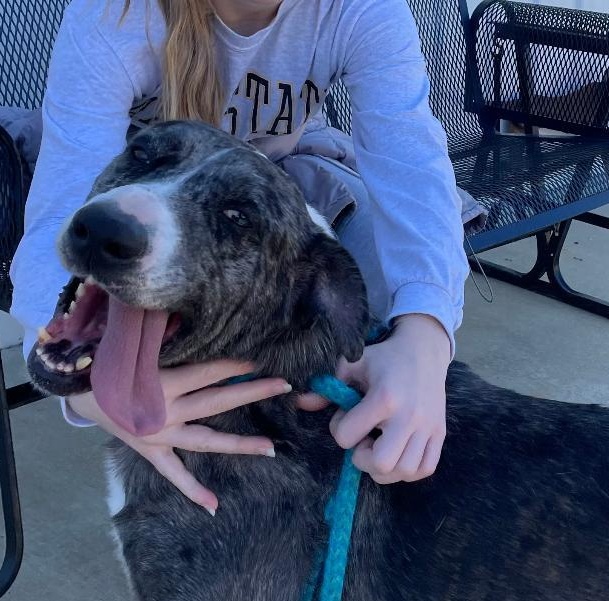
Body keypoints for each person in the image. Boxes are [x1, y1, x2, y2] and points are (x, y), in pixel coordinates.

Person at [11, 0, 471, 514]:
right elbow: (63, 198)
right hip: (139, 196)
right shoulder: (112, 12)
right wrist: (78, 382)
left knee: (387, 302)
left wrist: (426, 340)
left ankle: (339, 503)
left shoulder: (361, 10)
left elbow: (413, 172)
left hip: (274, 187)